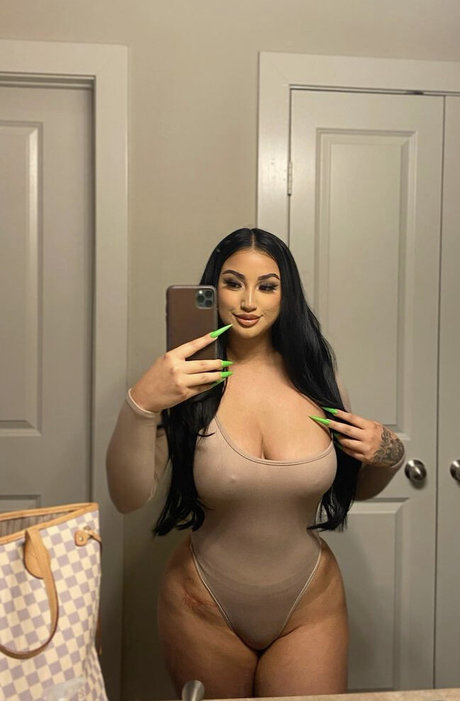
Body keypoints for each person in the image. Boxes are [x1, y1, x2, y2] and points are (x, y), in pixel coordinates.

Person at [106, 227, 405, 699]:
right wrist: (141, 403)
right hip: (201, 606)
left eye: (267, 286)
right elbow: (127, 497)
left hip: (311, 605)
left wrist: (389, 453)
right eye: (233, 283)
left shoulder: (318, 377)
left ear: (287, 295)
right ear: (214, 288)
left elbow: (357, 488)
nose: (248, 301)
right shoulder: (186, 380)